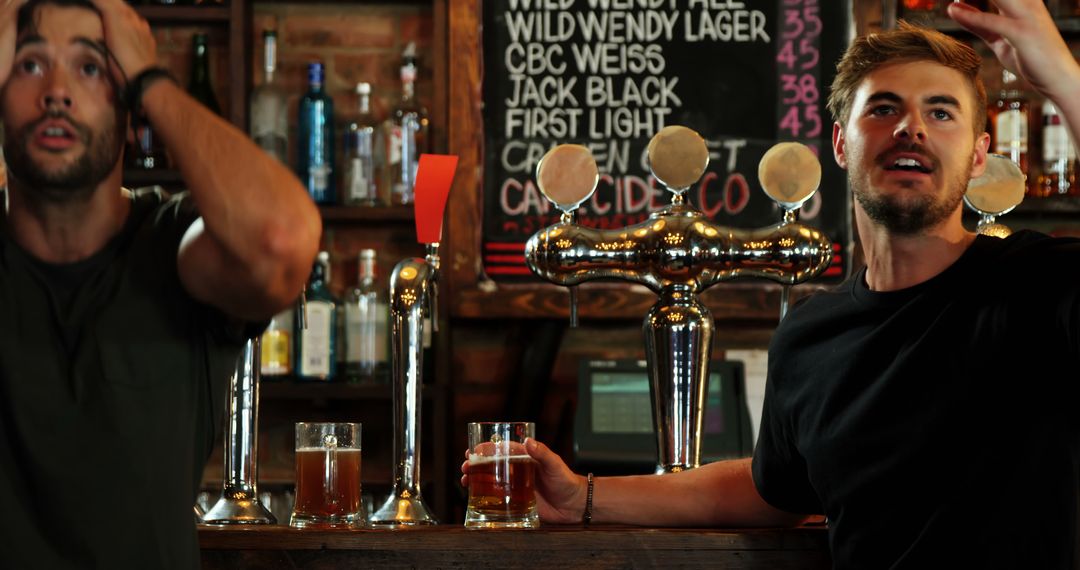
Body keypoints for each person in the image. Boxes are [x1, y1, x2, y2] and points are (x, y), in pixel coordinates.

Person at [463, 0, 1080, 567]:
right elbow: (771, 488)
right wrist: (581, 498)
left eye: (940, 112)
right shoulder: (812, 335)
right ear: (841, 143)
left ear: (979, 154)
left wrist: (1059, 74)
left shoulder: (1036, 286)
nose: (910, 128)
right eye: (884, 108)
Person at [0, 0, 321, 567]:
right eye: (29, 64)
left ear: (130, 106)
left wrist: (151, 78)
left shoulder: (171, 246)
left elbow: (280, 238)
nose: (57, 91)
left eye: (91, 66)